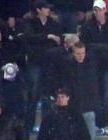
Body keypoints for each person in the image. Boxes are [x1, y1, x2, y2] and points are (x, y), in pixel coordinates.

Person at [79, 0, 108, 135]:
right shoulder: (88, 26)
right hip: (93, 66)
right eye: (95, 10)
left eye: (99, 10)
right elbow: (86, 45)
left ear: (105, 10)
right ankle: (98, 124)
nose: (97, 13)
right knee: (96, 96)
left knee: (107, 97)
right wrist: (102, 47)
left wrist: (102, 48)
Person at [22, 0, 63, 131]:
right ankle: (28, 125)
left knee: (47, 96)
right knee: (33, 94)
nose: (48, 10)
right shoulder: (30, 23)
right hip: (35, 63)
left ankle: (46, 126)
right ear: (39, 10)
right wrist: (48, 36)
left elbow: (58, 39)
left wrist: (47, 39)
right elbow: (30, 38)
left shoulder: (54, 23)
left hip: (49, 64)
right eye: (45, 8)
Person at [60, 41, 102, 140]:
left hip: (88, 106)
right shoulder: (67, 65)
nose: (81, 56)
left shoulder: (91, 63)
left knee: (90, 138)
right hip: (73, 107)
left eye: (83, 53)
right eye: (78, 54)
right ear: (73, 53)